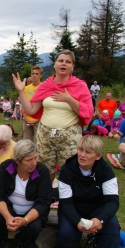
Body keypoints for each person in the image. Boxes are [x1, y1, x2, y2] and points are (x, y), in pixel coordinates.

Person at [13, 49, 93, 182]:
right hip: (45, 134)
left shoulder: (80, 86)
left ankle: (68, 200)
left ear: (72, 66)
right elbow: (31, 110)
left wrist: (69, 99)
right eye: (60, 60)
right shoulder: (46, 86)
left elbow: (88, 111)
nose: (64, 64)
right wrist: (21, 91)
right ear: (55, 64)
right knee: (44, 170)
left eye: (68, 62)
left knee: (70, 170)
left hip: (69, 136)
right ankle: (46, 198)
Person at [56, 136, 119, 248]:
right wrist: (77, 221)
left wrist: (101, 219)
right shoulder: (67, 169)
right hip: (73, 207)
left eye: (88, 152)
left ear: (98, 156)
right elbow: (66, 202)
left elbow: (112, 201)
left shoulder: (105, 170)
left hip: (97, 208)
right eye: (80, 150)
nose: (82, 155)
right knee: (66, 231)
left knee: (112, 229)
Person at [0, 140, 51, 248]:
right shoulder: (6, 168)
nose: (34, 163)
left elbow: (43, 202)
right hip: (10, 207)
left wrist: (25, 220)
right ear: (17, 160)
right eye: (29, 160)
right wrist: (7, 217)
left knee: (34, 225)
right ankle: (0, 247)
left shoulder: (42, 171)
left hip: (32, 209)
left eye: (35, 158)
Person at [22, 66, 43, 143]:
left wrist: (38, 119)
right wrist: (25, 118)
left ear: (41, 75)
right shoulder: (26, 88)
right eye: (33, 73)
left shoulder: (43, 87)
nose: (34, 75)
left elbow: (45, 105)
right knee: (26, 142)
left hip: (39, 120)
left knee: (38, 142)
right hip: (27, 119)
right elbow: (24, 104)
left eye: (37, 74)